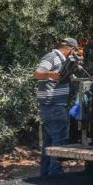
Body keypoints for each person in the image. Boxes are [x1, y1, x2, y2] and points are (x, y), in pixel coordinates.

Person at [32, 37, 78, 177]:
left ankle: (45, 171)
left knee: (49, 140)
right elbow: (37, 73)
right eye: (74, 50)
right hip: (52, 105)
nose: (73, 53)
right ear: (69, 48)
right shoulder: (51, 57)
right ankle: (55, 172)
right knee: (59, 138)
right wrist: (50, 74)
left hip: (54, 105)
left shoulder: (63, 61)